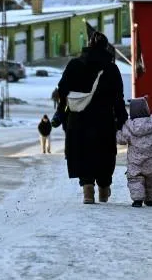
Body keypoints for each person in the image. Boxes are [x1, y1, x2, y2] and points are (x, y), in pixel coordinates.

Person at [52, 31, 128, 205]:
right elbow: (118, 97)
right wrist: (122, 118)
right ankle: (103, 188)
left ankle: (87, 188)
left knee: (82, 152)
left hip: (78, 119)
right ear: (105, 47)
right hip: (104, 120)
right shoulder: (111, 68)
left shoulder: (74, 64)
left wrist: (61, 112)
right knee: (104, 154)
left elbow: (62, 90)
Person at [117, 97, 152, 207]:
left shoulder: (128, 126)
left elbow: (121, 140)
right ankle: (150, 199)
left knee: (135, 179)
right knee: (151, 180)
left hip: (135, 161)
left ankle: (137, 200)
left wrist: (117, 132)